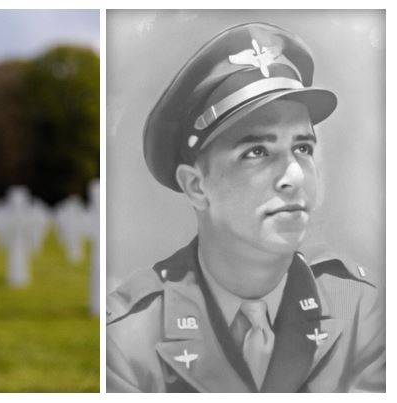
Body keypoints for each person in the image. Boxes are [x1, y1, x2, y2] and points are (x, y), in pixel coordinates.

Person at [106, 22, 384, 393]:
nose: (293, 177)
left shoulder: (362, 312)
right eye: (257, 152)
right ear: (196, 186)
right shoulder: (127, 339)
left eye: (302, 148)